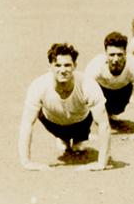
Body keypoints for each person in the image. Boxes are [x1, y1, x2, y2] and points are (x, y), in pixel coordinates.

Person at [18, 42, 110, 171]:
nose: (63, 70)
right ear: (50, 67)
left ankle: (79, 139)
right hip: (53, 123)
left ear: (75, 66)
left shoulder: (88, 84)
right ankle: (63, 138)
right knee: (36, 112)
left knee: (79, 145)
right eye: (57, 65)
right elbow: (26, 123)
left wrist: (101, 163)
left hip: (82, 122)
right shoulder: (39, 85)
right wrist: (26, 162)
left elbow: (103, 124)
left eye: (67, 65)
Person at [85, 31, 134, 137]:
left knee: (117, 110)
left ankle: (109, 113)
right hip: (101, 91)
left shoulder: (133, 65)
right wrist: (87, 131)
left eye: (119, 55)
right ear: (105, 53)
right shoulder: (95, 66)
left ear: (126, 53)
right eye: (112, 55)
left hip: (122, 91)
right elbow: (84, 97)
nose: (115, 59)